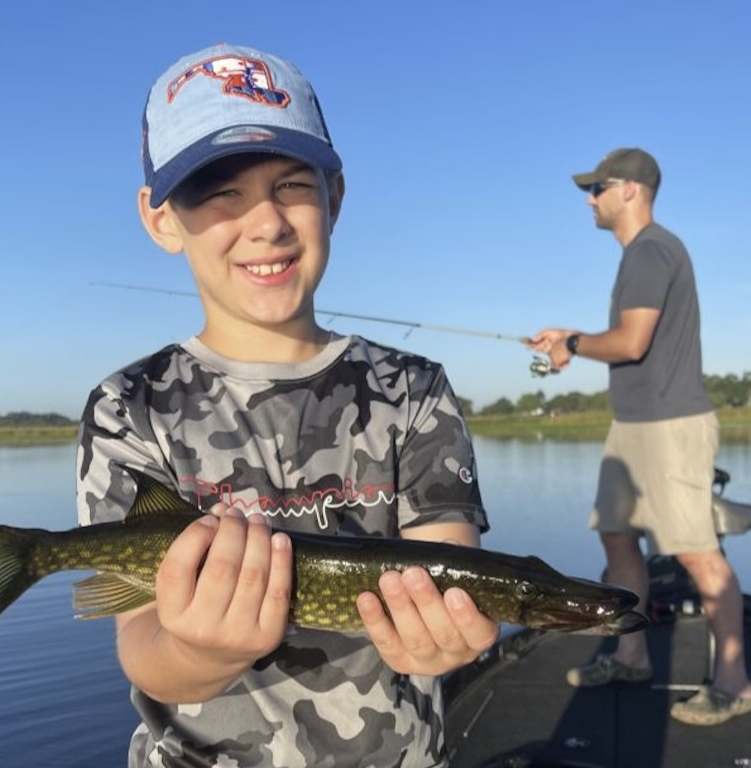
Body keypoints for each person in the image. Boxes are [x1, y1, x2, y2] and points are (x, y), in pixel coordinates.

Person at [75, 43, 499, 767]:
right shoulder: (128, 406)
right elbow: (142, 647)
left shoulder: (413, 389)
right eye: (220, 195)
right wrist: (197, 650)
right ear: (160, 220)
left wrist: (442, 638)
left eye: (292, 185)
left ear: (335, 196)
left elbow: (446, 564)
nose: (266, 223)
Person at [525, 148, 751, 726]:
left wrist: (573, 346)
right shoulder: (643, 255)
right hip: (630, 428)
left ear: (629, 190)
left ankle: (733, 682)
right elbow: (628, 338)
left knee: (697, 553)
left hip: (671, 427)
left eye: (597, 187)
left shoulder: (650, 250)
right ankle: (631, 657)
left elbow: (631, 343)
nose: (589, 199)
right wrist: (571, 336)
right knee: (617, 538)